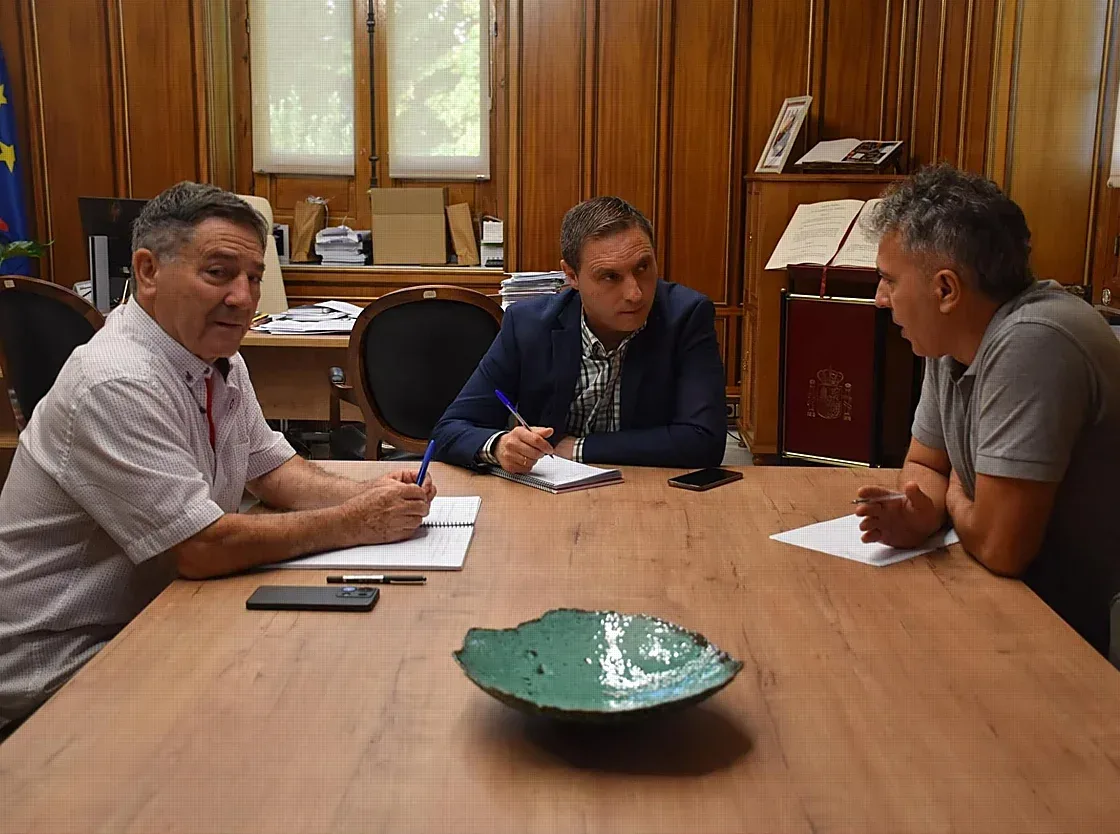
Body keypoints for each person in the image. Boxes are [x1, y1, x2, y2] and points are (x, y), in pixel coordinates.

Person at [0, 182, 435, 734]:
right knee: (310, 703)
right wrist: (355, 522)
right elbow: (201, 549)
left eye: (253, 278)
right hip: (62, 662)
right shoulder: (114, 381)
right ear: (148, 271)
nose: (244, 297)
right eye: (219, 272)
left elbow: (274, 470)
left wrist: (373, 498)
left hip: (158, 615)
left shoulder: (215, 357)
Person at [856, 164, 1120, 658]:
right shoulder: (950, 341)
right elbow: (926, 464)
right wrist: (925, 510)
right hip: (1019, 603)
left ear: (946, 290)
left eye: (889, 280)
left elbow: (1003, 549)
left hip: (1078, 636)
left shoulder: (1034, 341)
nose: (880, 299)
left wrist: (954, 496)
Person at [432, 196, 726, 473]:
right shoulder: (528, 325)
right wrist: (498, 446)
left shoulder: (686, 316)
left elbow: (704, 440)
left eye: (643, 267)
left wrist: (579, 449)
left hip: (649, 492)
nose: (635, 294)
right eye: (610, 276)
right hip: (550, 498)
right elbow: (451, 428)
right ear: (571, 276)